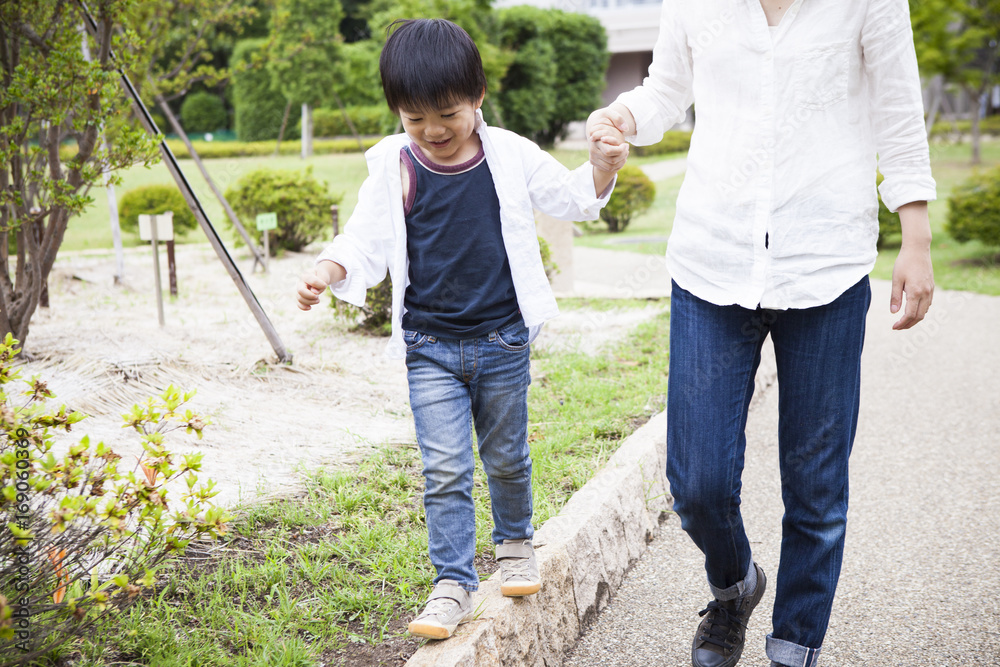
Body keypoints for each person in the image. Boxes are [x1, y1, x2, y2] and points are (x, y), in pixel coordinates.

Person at [587, 1, 935, 666]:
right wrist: (626, 116)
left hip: (826, 262)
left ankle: (793, 646)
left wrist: (914, 235)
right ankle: (734, 586)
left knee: (816, 487)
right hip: (711, 258)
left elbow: (897, 108)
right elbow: (668, 87)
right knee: (697, 482)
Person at [296, 18, 626, 641]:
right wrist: (327, 268)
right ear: (398, 113)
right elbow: (364, 237)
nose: (433, 131)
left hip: (502, 340)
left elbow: (571, 198)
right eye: (414, 118)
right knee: (443, 467)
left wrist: (601, 167)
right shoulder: (394, 165)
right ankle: (452, 581)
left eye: (447, 113)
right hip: (429, 347)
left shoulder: (509, 153)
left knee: (505, 457)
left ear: (477, 98)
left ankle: (514, 545)